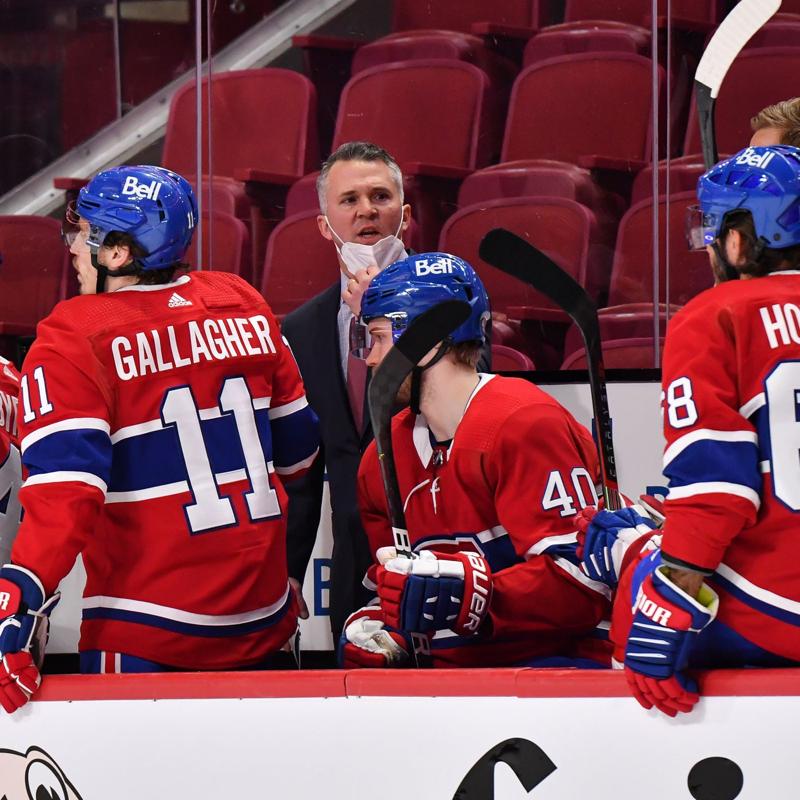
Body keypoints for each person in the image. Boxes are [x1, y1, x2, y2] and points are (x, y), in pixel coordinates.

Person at [0, 165, 320, 713]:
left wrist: (21, 595)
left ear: (119, 253)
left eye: (83, 232)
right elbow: (299, 451)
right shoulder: (243, 301)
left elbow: (65, 497)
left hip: (145, 630)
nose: (74, 246)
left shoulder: (75, 334)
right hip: (263, 618)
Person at [578, 145, 800, 717]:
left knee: (637, 579)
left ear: (739, 239)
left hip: (774, 616)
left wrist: (667, 591)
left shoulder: (715, 313)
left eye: (713, 228)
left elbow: (717, 491)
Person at [339, 252, 612, 668]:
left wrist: (477, 596)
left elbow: (584, 584)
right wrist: (381, 628)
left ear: (429, 342)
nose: (371, 358)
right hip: (451, 684)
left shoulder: (524, 424)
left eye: (378, 337)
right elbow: (393, 587)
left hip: (553, 674)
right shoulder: (383, 455)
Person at [281, 141, 411, 640]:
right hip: (352, 563)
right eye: (349, 200)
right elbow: (303, 466)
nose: (366, 212)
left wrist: (381, 312)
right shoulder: (304, 326)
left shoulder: (452, 297)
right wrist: (291, 573)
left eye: (380, 196)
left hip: (440, 550)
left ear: (404, 214)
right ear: (324, 223)